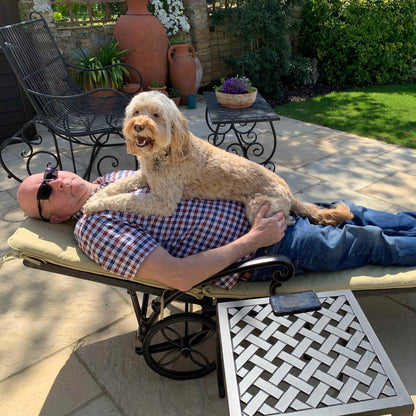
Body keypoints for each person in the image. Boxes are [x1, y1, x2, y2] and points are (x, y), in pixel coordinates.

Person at [17, 168, 416, 292]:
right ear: (54, 219)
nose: (57, 182)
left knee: (360, 213)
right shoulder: (96, 227)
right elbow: (178, 276)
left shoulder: (111, 180)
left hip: (265, 204)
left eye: (49, 174)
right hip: (267, 248)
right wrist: (256, 238)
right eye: (46, 193)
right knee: (369, 241)